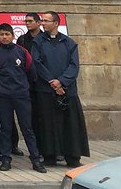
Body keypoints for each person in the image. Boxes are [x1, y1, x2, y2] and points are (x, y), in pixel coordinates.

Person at [31, 11, 89, 168]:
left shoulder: (69, 42)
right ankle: (50, 155)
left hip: (67, 90)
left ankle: (73, 156)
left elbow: (74, 65)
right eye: (42, 20)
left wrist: (62, 82)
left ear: (56, 23)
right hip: (46, 90)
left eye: (46, 21)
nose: (42, 23)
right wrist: (52, 82)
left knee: (70, 124)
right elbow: (37, 63)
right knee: (48, 124)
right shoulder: (38, 42)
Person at [0, 22, 45, 173]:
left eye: (7, 34)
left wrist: (23, 87)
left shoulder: (22, 52)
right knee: (5, 129)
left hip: (21, 95)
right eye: (1, 34)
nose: (4, 37)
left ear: (13, 36)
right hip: (2, 96)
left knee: (27, 128)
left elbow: (31, 72)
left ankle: (36, 160)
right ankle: (6, 160)